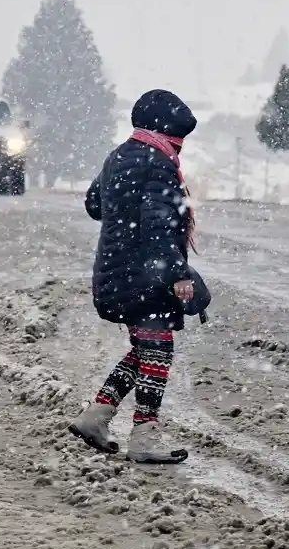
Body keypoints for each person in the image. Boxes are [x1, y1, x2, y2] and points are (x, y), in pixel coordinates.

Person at [69, 89, 198, 464]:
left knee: (146, 350)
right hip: (146, 277)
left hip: (116, 272)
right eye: (177, 140)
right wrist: (178, 273)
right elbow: (157, 227)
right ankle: (144, 435)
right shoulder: (157, 162)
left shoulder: (120, 155)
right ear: (165, 132)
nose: (179, 148)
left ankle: (96, 417)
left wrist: (122, 208)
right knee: (157, 350)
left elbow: (95, 204)